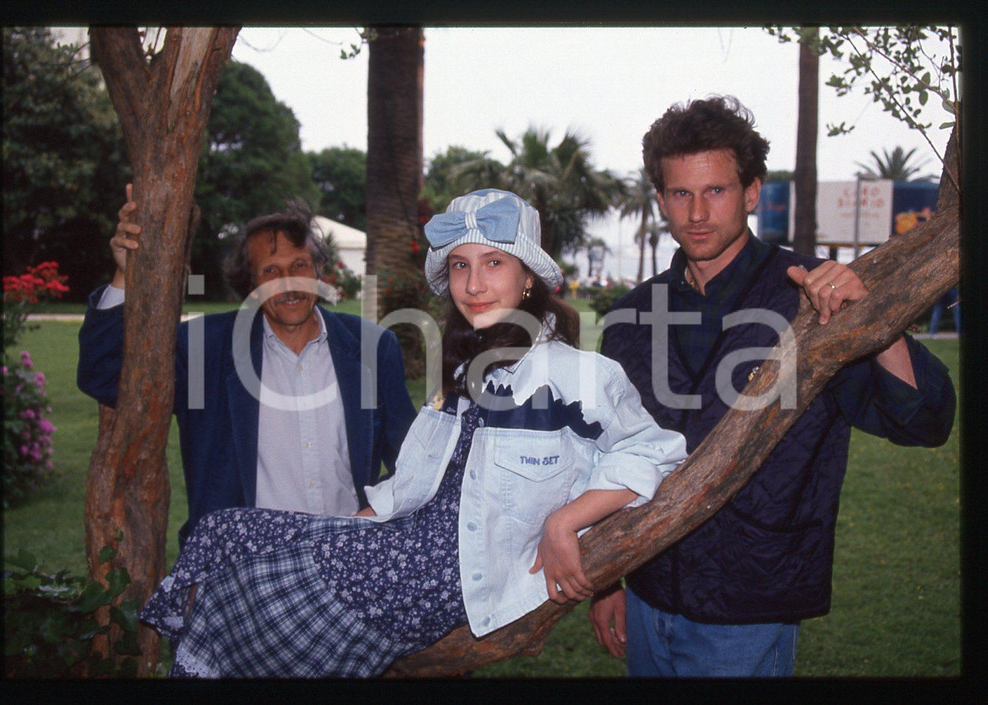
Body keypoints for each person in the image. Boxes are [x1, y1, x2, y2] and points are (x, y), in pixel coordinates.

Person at [138, 188, 688, 678]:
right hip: (400, 545)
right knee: (219, 536)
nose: (473, 285)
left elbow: (658, 451)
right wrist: (351, 530)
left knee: (253, 599)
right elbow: (410, 482)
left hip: (441, 574)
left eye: (494, 263)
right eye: (459, 267)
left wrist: (566, 521)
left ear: (527, 279)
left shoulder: (577, 374)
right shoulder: (465, 375)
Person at [588, 96, 957, 677]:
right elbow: (609, 454)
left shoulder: (812, 297)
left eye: (717, 190)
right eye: (681, 193)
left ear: (752, 192)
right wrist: (607, 576)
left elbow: (926, 422)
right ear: (661, 200)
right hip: (647, 590)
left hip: (750, 603)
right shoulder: (631, 317)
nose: (698, 212)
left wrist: (876, 320)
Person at [77, 186, 417, 546]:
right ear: (250, 284)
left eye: (299, 265)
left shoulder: (372, 347)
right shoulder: (205, 349)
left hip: (346, 556)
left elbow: (411, 461)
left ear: (319, 271)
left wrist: (375, 519)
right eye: (271, 271)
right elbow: (104, 377)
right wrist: (123, 278)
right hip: (241, 567)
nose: (289, 283)